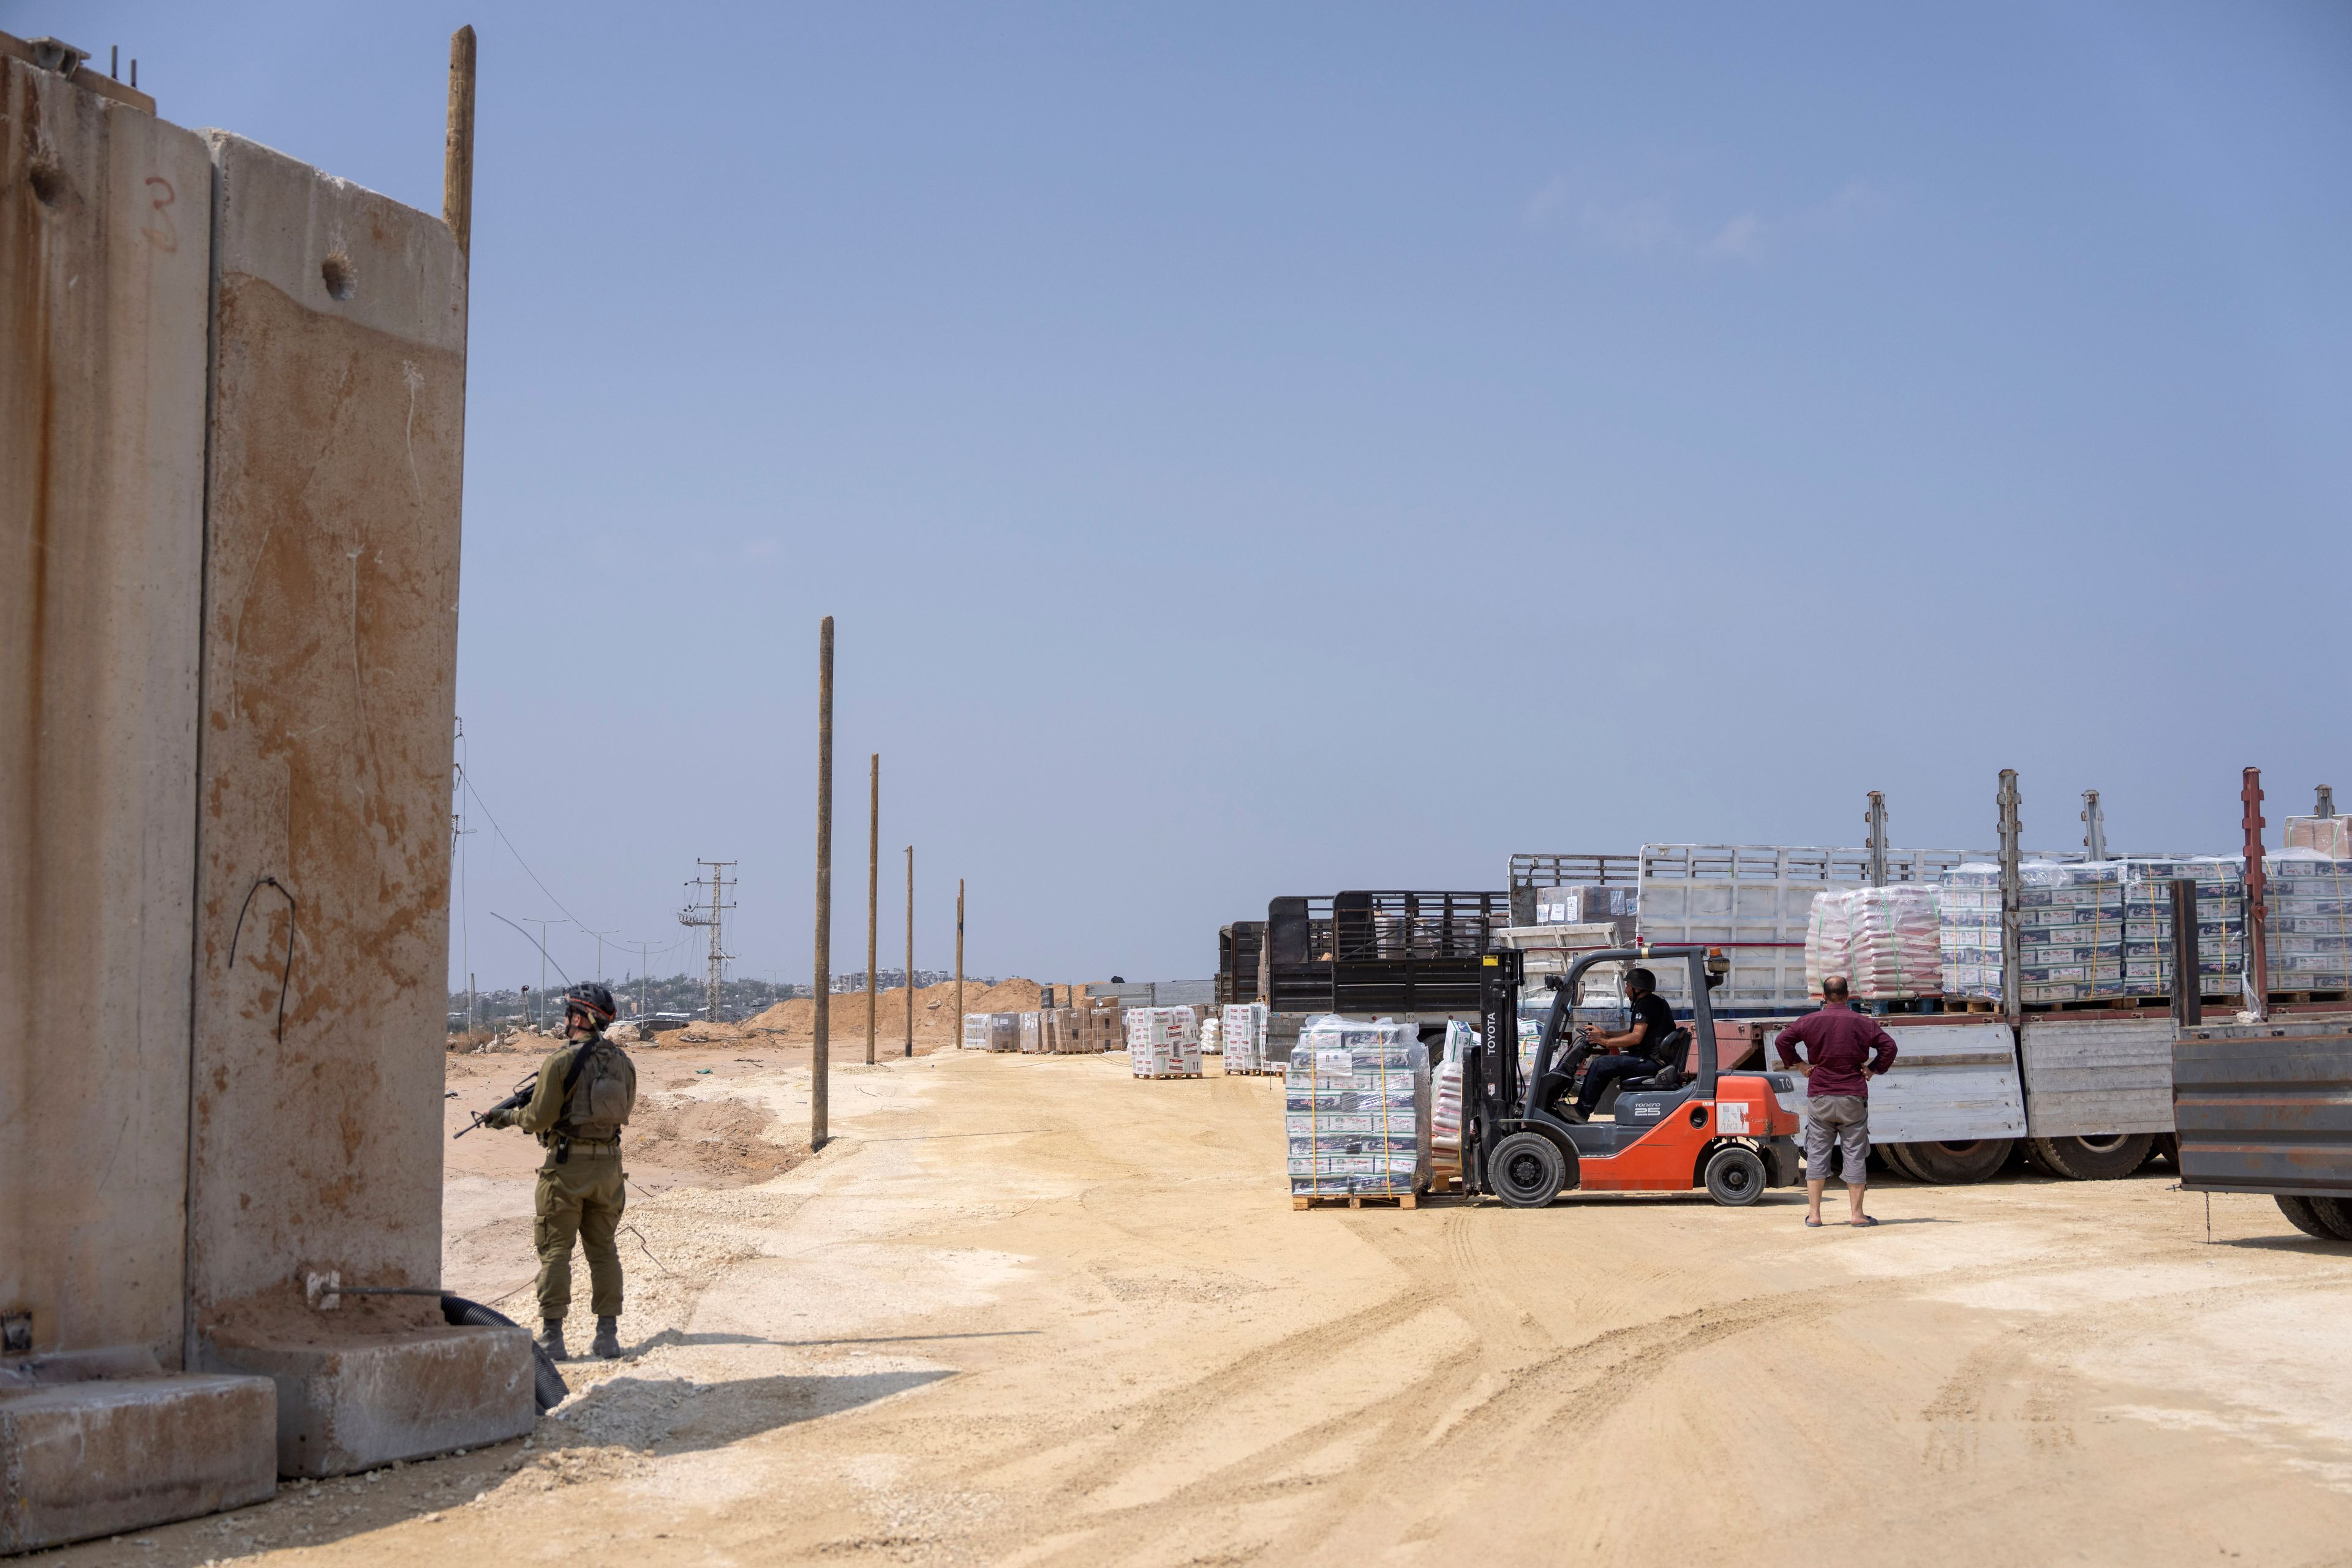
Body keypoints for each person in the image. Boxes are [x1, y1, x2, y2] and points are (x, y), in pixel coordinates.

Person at [480, 981, 638, 1360]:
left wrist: (504, 1117)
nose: (565, 1019)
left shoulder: (560, 1061)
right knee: (603, 1252)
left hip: (567, 1170)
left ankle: (553, 1338)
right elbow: (624, 1113)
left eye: (569, 1012)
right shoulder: (624, 1063)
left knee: (555, 1252)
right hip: (610, 1170)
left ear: (581, 1018)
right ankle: (607, 1337)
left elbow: (538, 1118)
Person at [1774, 974, 1899, 1227]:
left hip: (1820, 1095)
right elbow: (1889, 1047)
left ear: (1823, 996)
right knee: (1854, 1152)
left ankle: (1815, 1216)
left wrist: (1799, 1065)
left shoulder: (1810, 1021)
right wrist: (1873, 1069)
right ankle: (1857, 1215)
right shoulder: (1862, 1022)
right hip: (1852, 1095)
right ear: (1848, 996)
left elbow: (1782, 1040)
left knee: (1818, 1154)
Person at [1563, 967, 1681, 1121]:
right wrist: (1604, 1033)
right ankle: (1581, 1109)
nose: (1626, 990)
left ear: (1637, 988)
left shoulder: (1646, 1005)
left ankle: (1581, 1111)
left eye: (1628, 986)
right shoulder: (1654, 1003)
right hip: (1653, 1060)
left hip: (1651, 1063)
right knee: (1605, 1065)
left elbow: (1635, 1038)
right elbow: (1631, 1033)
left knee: (1600, 1065)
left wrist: (1605, 1042)